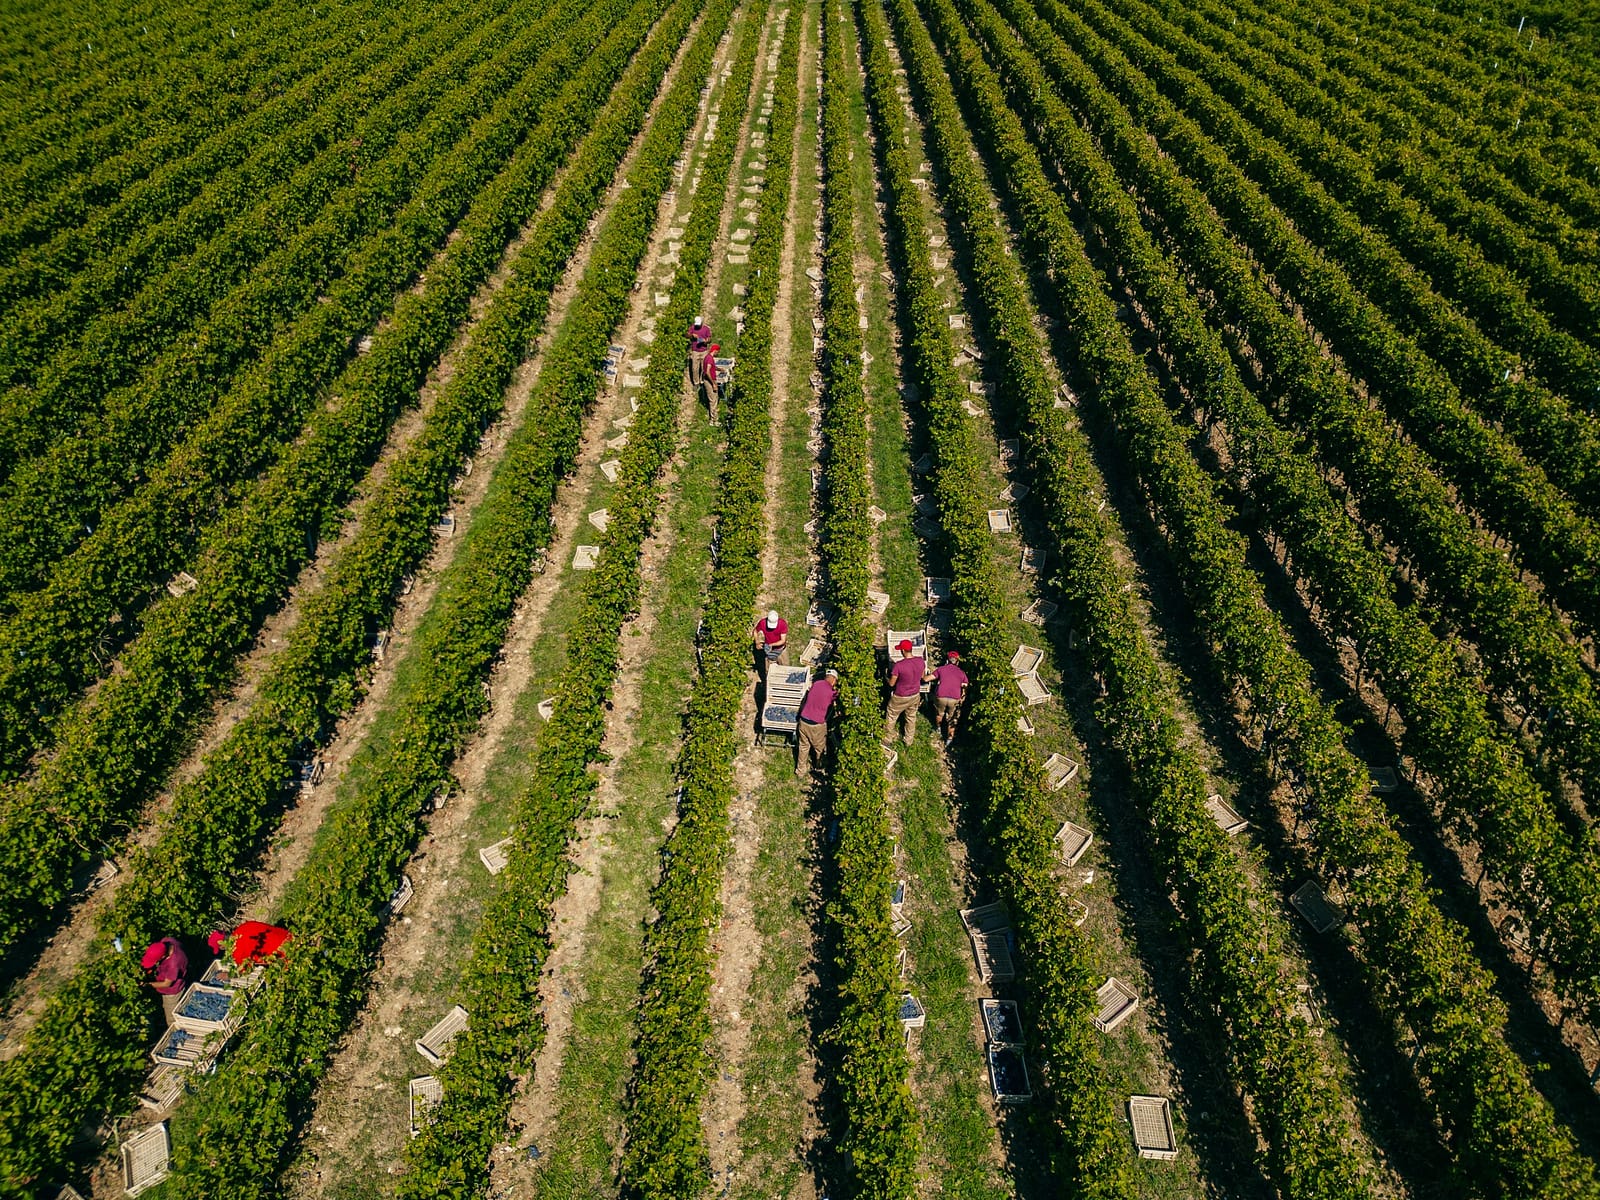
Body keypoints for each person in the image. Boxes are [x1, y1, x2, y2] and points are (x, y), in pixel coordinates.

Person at [884, 639, 929, 746]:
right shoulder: (920, 661)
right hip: (915, 695)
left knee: (891, 716)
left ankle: (888, 739)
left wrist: (886, 677)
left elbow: (892, 684)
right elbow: (922, 676)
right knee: (911, 717)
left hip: (900, 696)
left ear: (903, 650)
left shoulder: (899, 665)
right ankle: (908, 740)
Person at [796, 668, 839, 777]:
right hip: (816, 725)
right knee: (819, 748)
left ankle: (800, 770)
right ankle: (819, 768)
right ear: (834, 680)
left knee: (803, 746)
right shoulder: (832, 693)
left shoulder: (816, 684)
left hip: (803, 721)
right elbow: (833, 703)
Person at [207, 920, 292, 972]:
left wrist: (228, 976)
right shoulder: (244, 926)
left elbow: (244, 971)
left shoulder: (237, 953)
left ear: (222, 947)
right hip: (291, 938)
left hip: (287, 956)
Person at [931, 650, 969, 745]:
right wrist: (962, 698)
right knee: (953, 719)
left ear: (947, 660)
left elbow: (928, 678)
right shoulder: (962, 673)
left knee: (939, 713)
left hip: (941, 696)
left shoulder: (941, 669)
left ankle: (938, 729)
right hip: (954, 698)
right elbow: (964, 687)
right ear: (957, 661)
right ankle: (949, 740)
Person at [752, 608, 788, 678]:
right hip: (769, 651)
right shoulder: (762, 623)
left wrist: (771, 645)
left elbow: (782, 640)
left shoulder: (782, 624)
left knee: (785, 667)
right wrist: (757, 642)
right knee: (768, 671)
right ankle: (768, 681)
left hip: (780, 649)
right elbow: (755, 631)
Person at [700, 343, 722, 421]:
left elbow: (711, 367)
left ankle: (713, 417)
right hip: (709, 381)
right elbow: (707, 371)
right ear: (715, 351)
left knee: (714, 399)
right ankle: (713, 419)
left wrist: (719, 369)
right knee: (713, 400)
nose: (717, 353)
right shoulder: (710, 359)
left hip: (708, 380)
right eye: (717, 352)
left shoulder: (707, 357)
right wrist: (713, 383)